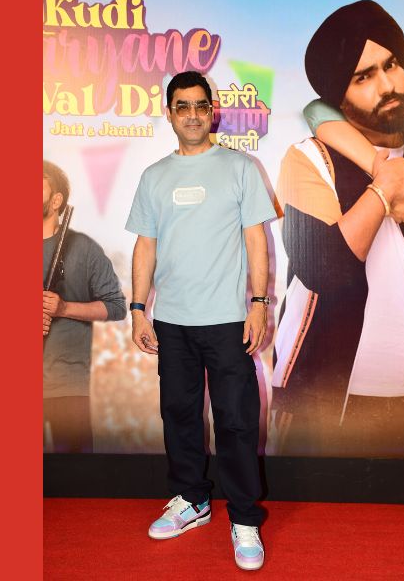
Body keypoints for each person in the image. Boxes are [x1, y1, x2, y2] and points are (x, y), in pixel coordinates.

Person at [271, 0, 404, 458]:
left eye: (391, 65)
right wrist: (384, 189)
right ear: (338, 95)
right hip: (325, 398)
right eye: (363, 77)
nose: (388, 86)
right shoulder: (310, 159)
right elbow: (324, 270)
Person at [125, 71, 276, 571]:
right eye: (182, 106)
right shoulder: (154, 176)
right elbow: (145, 244)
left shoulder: (240, 167)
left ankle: (245, 518)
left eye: (200, 105)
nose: (192, 114)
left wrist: (259, 303)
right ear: (169, 112)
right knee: (179, 415)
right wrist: (138, 308)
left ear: (213, 111)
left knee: (235, 421)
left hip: (229, 320)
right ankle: (192, 499)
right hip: (172, 321)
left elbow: (256, 239)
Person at [43, 159, 126, 453]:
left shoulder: (84, 248)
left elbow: (116, 306)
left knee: (76, 473)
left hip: (68, 385)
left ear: (56, 201)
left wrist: (64, 309)